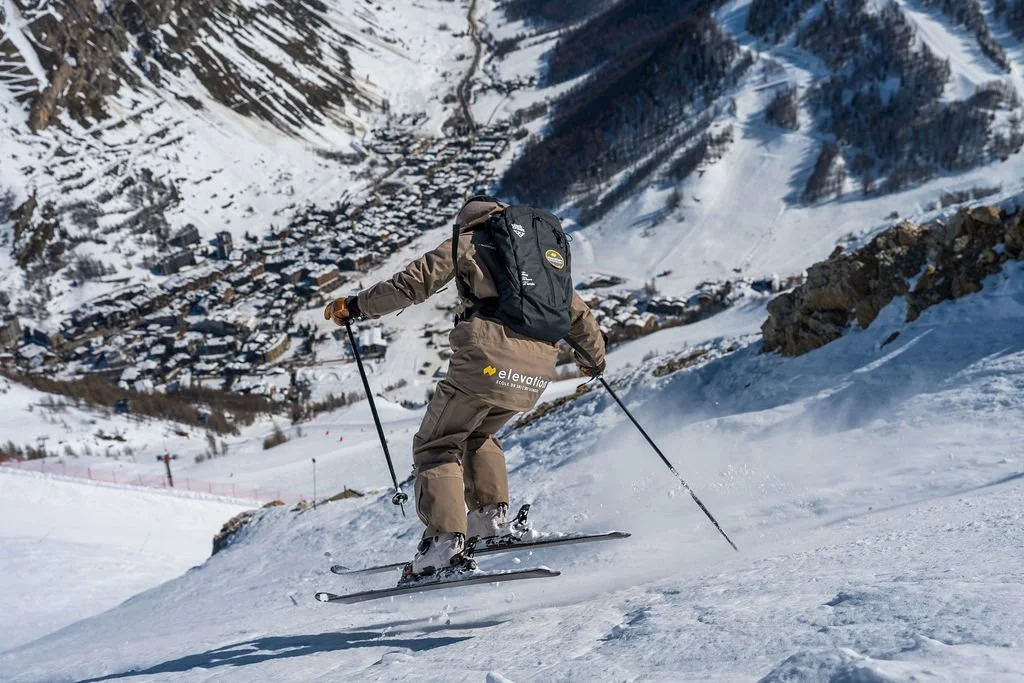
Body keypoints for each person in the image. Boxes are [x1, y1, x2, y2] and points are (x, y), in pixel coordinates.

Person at [324, 196, 605, 578]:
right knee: (478, 435)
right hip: (538, 370)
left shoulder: (470, 241)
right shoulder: (534, 260)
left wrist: (356, 306)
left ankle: (443, 545)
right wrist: (593, 359)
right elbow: (579, 315)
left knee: (436, 444)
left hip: (487, 363)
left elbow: (413, 283)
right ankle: (490, 520)